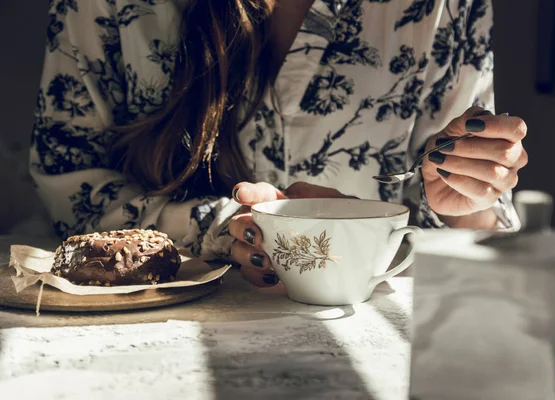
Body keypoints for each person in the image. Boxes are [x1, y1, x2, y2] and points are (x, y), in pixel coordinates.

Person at [31, 0, 527, 287]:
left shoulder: (444, 6)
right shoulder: (108, 8)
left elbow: (476, 225)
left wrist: (468, 199)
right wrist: (220, 228)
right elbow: (69, 191)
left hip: (371, 333)